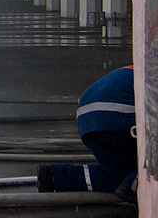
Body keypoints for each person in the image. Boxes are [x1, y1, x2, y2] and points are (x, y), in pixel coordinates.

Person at [37, 66, 138, 204]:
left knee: (118, 179)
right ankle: (136, 181)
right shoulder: (148, 67)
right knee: (145, 164)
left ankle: (54, 175)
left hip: (87, 120)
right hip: (116, 111)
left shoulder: (136, 66)